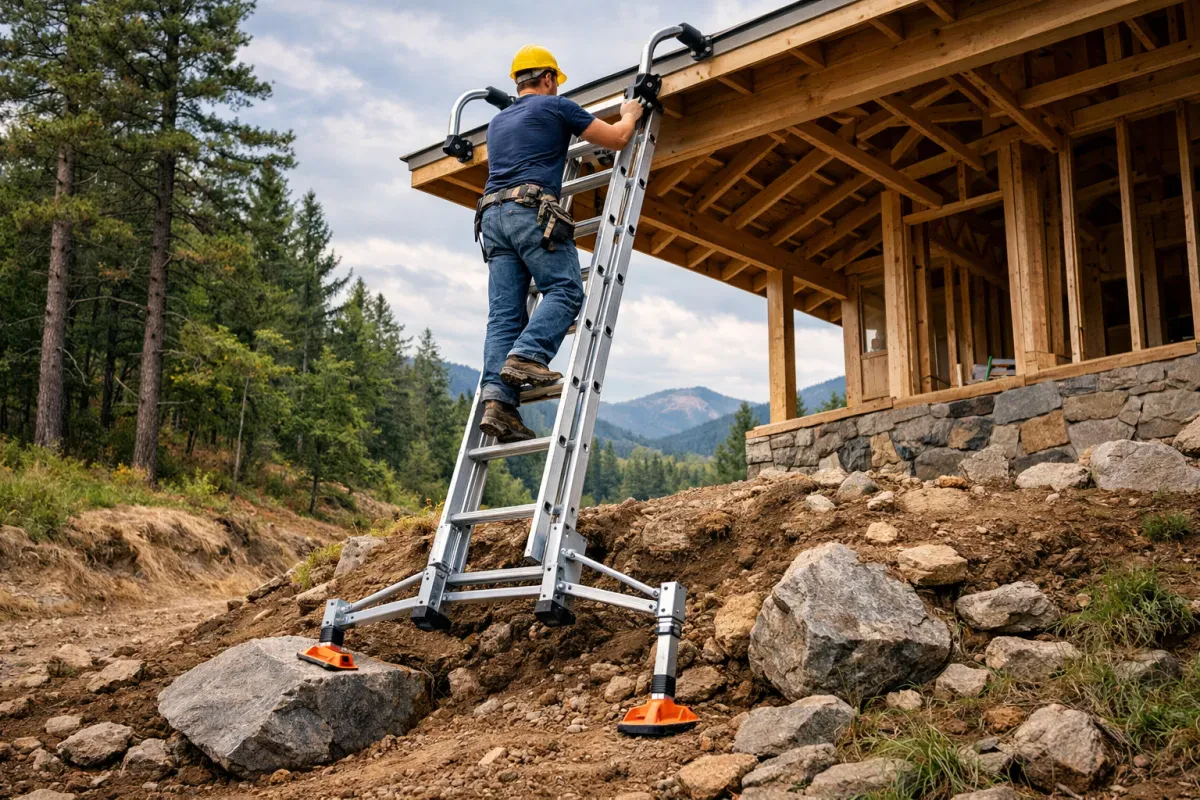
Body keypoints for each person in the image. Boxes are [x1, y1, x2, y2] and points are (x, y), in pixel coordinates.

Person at [476, 45, 645, 443]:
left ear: (518, 82)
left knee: (503, 315)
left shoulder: (497, 123)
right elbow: (619, 138)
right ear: (549, 78)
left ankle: (498, 405)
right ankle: (528, 355)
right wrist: (630, 113)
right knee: (566, 290)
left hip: (491, 218)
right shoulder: (557, 108)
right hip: (528, 210)